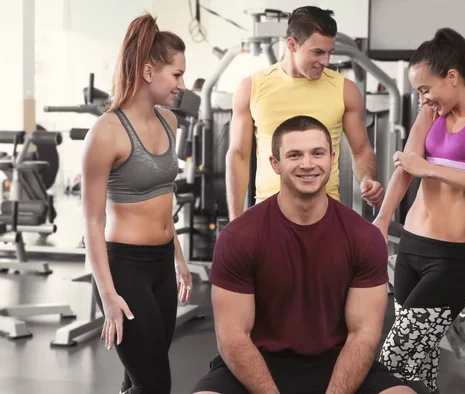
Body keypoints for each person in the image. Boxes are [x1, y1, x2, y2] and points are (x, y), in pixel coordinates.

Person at [192, 115, 426, 394]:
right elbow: (233, 337)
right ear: (275, 164)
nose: (307, 164)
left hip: (337, 361)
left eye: (317, 153)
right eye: (294, 155)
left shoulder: (363, 237)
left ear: (332, 158)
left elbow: (362, 335)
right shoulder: (238, 237)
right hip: (258, 362)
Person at [373, 28, 465, 393]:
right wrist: (383, 219)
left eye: (425, 89)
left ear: (452, 76)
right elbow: (406, 166)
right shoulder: (431, 112)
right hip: (410, 251)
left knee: (394, 358)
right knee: (420, 364)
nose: (423, 99)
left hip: (450, 262)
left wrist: (431, 169)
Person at [81, 14, 193, 394]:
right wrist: (108, 295)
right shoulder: (106, 132)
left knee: (141, 378)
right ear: (148, 71)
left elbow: (165, 199)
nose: (182, 84)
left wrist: (179, 258)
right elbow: (92, 225)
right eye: (176, 75)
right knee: (156, 384)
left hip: (162, 264)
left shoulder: (170, 123)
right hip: (123, 268)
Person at [226, 6, 383, 220]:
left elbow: (361, 150)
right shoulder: (252, 87)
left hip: (325, 215)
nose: (326, 62)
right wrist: (236, 220)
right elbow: (239, 155)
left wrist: (368, 179)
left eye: (329, 53)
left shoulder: (345, 90)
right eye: (318, 52)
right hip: (269, 215)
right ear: (292, 45)